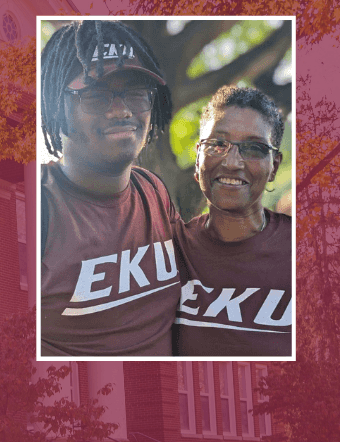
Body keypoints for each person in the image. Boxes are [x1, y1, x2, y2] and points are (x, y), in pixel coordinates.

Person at [38, 20, 184, 356]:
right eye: (96, 95)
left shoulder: (153, 191)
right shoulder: (39, 206)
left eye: (135, 93)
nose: (121, 110)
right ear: (57, 106)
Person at [176, 86, 292, 357]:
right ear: (197, 158)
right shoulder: (167, 255)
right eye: (217, 144)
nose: (231, 162)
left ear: (274, 166)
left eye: (253, 148)